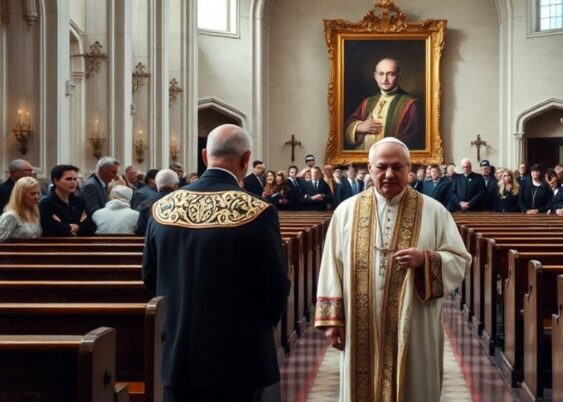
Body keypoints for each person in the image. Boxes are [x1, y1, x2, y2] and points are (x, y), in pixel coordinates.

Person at [315, 137, 470, 402]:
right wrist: (333, 322)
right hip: (359, 323)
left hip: (415, 324)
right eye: (382, 167)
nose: (389, 174)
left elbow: (459, 260)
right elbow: (332, 266)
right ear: (370, 167)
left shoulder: (434, 211)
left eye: (397, 167)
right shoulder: (346, 212)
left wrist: (426, 259)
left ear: (409, 169)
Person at [142, 124, 289, 402]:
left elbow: (150, 277)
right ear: (246, 159)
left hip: (179, 354)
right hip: (239, 356)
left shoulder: (162, 208)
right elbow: (275, 287)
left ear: (204, 155)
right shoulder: (257, 210)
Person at [344, 58, 424, 151]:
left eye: (390, 74)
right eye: (381, 74)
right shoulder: (368, 102)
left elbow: (413, 138)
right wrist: (358, 127)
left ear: (398, 76)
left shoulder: (410, 104)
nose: (385, 79)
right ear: (375, 76)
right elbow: (347, 125)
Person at [39, 165, 96, 237]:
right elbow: (51, 228)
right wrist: (73, 228)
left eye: (75, 179)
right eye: (69, 179)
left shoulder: (79, 202)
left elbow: (91, 226)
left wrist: (75, 227)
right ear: (56, 181)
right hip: (56, 246)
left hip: (80, 245)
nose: (73, 182)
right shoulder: (46, 204)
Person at [135, 169, 179, 235]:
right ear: (176, 185)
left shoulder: (147, 204)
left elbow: (140, 230)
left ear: (157, 184)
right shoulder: (182, 203)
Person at [0, 176, 42, 242]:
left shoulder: (34, 213)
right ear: (20, 195)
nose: (37, 197)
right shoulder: (10, 216)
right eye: (32, 194)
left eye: (38, 193)